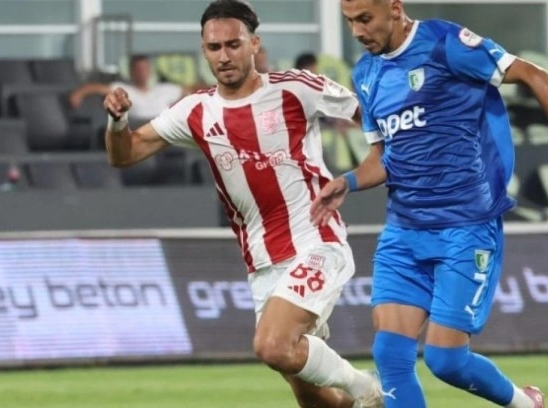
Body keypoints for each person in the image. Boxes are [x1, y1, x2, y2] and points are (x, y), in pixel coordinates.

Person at [311, 1, 548, 407]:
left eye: (365, 19)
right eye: (349, 21)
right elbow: (384, 158)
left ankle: (525, 403)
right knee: (389, 355)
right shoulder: (366, 74)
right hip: (404, 229)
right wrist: (349, 182)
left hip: (465, 226)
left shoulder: (446, 43)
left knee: (445, 360)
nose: (357, 31)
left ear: (394, 8)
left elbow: (534, 74)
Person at [102, 1, 383, 407]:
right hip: (262, 263)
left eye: (233, 45)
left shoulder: (296, 88)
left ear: (254, 44)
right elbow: (124, 154)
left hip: (317, 241)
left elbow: (373, 118)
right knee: (314, 397)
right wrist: (117, 122)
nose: (224, 56)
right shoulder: (196, 111)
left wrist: (366, 172)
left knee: (271, 345)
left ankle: (368, 389)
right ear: (204, 50)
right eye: (214, 47)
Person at [70, 55, 185, 123]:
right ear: (131, 71)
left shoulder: (165, 89)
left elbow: (191, 90)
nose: (142, 72)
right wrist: (79, 94)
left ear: (150, 70)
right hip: (139, 130)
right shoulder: (124, 89)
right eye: (138, 69)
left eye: (145, 68)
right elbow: (97, 88)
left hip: (166, 130)